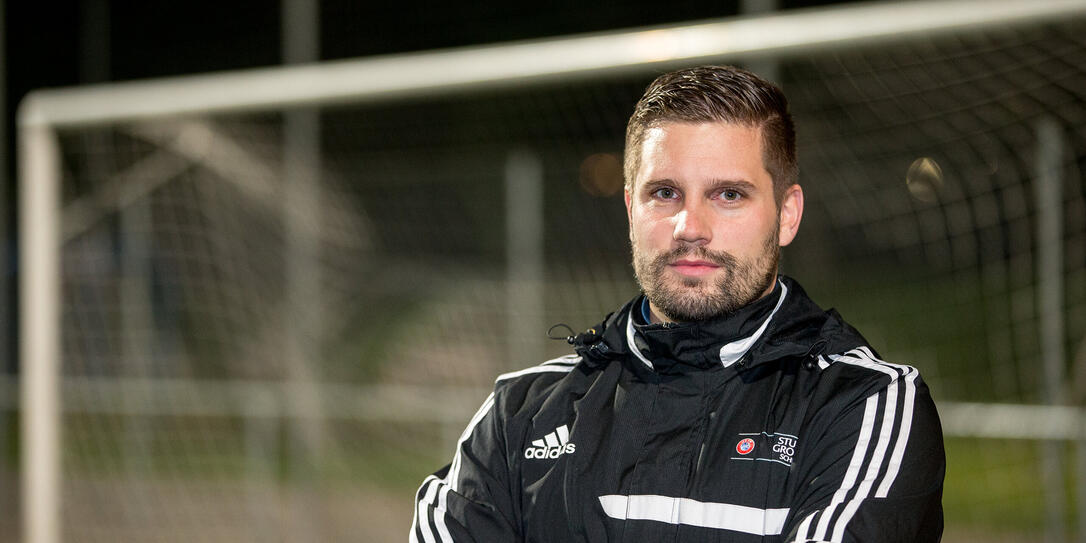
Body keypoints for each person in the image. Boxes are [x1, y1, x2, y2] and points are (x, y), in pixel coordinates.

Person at [411, 65, 944, 543]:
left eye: (728, 195)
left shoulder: (864, 406)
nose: (691, 227)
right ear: (630, 207)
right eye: (664, 193)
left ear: (786, 214)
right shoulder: (518, 415)